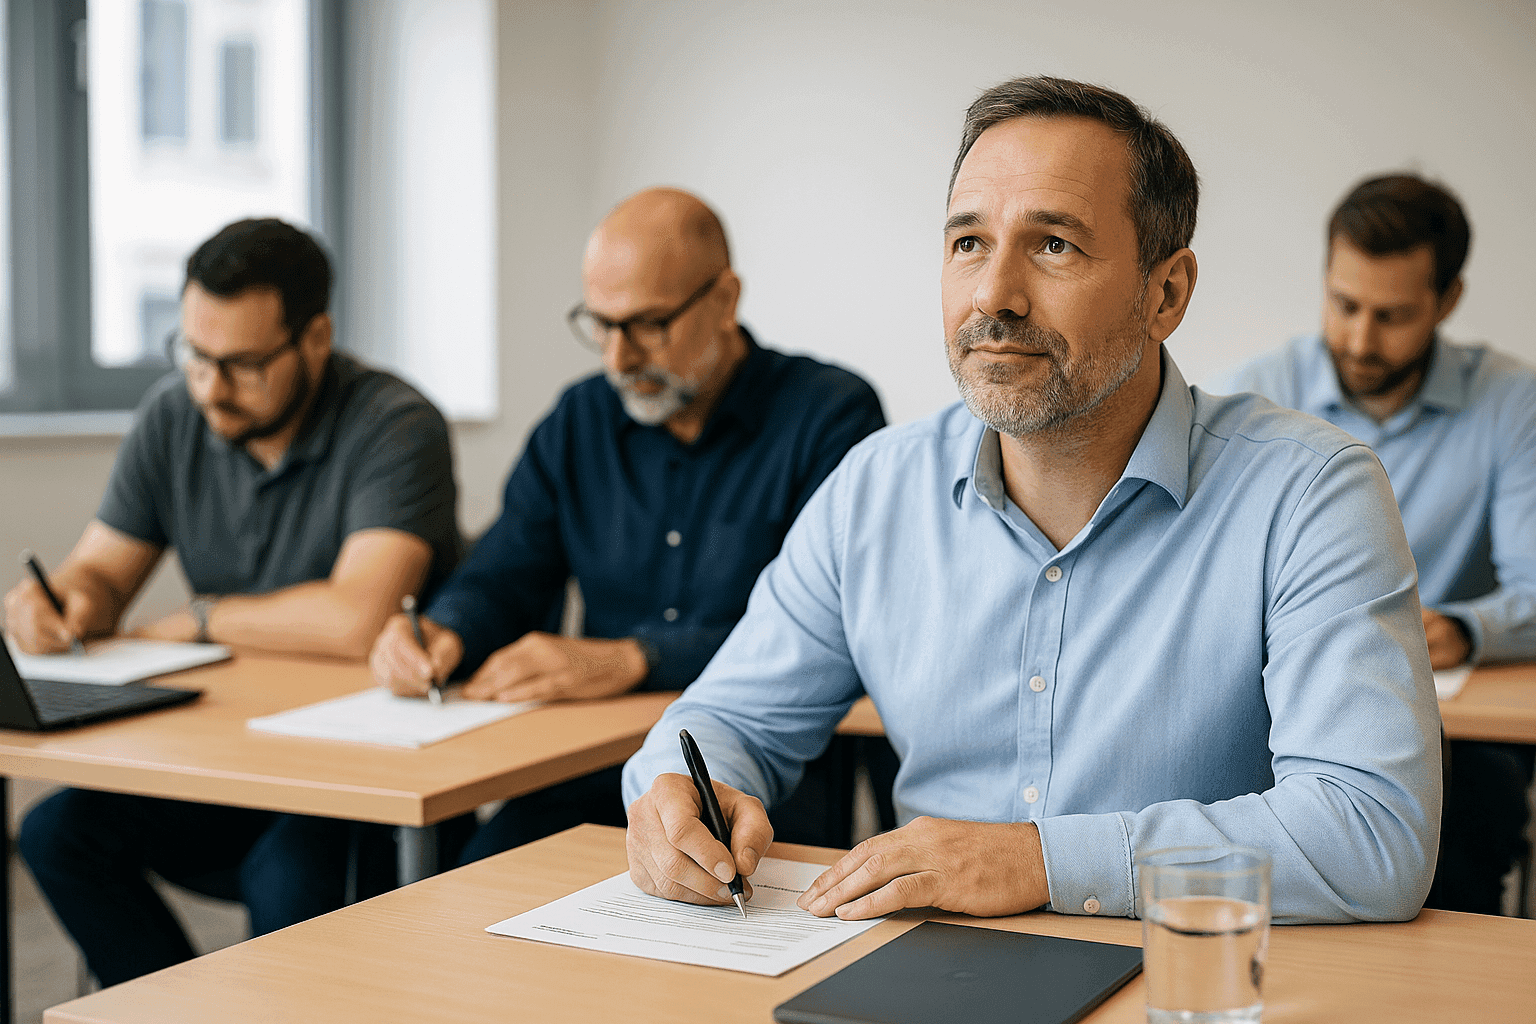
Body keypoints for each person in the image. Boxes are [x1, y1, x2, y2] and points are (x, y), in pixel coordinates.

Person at [622, 77, 1441, 925]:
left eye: (1053, 245)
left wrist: (1040, 860)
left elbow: (1373, 833)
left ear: (1166, 293)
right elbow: (724, 720)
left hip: (1192, 979)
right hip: (922, 981)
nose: (994, 295)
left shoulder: (1311, 491)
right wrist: (679, 796)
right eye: (969, 242)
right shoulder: (873, 490)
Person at [369, 188, 887, 862]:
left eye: (647, 325)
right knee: (482, 871)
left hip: (758, 774)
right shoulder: (580, 420)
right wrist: (442, 629)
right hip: (596, 760)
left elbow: (827, 628)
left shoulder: (829, 416)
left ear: (724, 300)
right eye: (601, 324)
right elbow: (506, 572)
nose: (618, 358)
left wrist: (631, 658)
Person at [9, 218, 461, 986]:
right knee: (55, 835)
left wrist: (202, 617)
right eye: (194, 356)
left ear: (315, 337)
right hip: (224, 757)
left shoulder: (395, 423)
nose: (211, 388)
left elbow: (359, 619)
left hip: (355, 777)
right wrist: (63, 602)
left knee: (285, 877)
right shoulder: (172, 414)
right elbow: (101, 575)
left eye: (243, 364)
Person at [1224, 174, 1535, 914]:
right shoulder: (1253, 396)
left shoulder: (1511, 405)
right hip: (1276, 704)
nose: (1360, 339)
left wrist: (1467, 628)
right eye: (1345, 305)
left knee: (1464, 819)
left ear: (1448, 300)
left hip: (1454, 727)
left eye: (1392, 315)